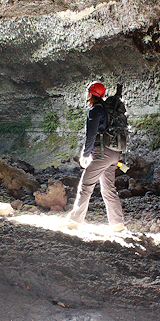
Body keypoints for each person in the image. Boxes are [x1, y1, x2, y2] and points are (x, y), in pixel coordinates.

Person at [63, 81, 125, 232]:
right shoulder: (108, 110)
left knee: (86, 185)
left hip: (101, 154)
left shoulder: (95, 111)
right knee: (108, 189)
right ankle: (118, 224)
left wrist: (85, 156)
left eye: (88, 92)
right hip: (114, 155)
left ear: (92, 94)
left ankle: (74, 221)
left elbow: (90, 135)